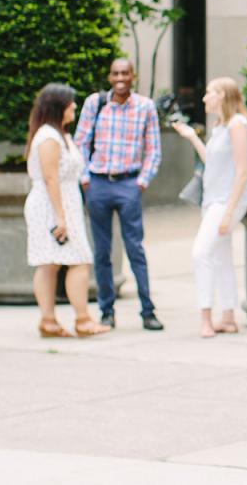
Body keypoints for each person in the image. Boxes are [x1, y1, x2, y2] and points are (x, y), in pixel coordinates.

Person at [73, 57, 164, 331]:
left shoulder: (145, 107)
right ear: (109, 77)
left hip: (128, 184)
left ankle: (148, 311)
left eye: (125, 73)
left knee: (135, 248)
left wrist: (142, 182)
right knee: (102, 252)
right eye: (115, 73)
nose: (120, 78)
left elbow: (154, 149)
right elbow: (80, 143)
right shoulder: (95, 103)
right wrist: (86, 179)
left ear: (132, 76)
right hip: (98, 184)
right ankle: (106, 311)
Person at [23, 83, 110, 339]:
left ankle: (49, 321)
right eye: (70, 102)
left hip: (63, 203)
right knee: (77, 260)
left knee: (51, 263)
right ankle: (81, 319)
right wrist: (60, 217)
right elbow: (51, 178)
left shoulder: (60, 134)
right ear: (58, 107)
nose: (74, 106)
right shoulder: (49, 137)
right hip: (52, 206)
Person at [172, 77, 247, 339]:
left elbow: (242, 171)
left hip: (225, 202)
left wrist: (229, 211)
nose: (204, 98)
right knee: (220, 258)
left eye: (209, 93)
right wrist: (191, 138)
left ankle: (206, 317)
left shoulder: (237, 125)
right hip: (213, 200)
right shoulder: (220, 127)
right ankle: (228, 317)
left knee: (201, 253)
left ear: (222, 96)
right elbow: (213, 163)